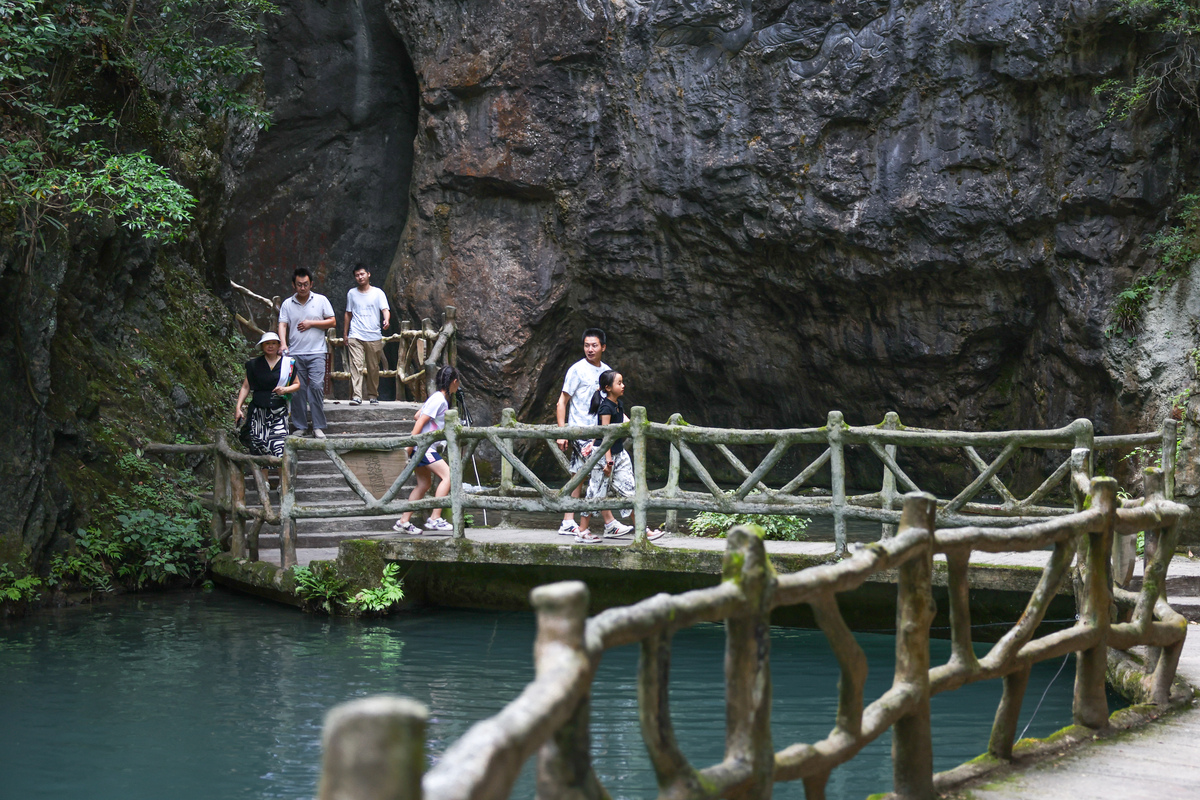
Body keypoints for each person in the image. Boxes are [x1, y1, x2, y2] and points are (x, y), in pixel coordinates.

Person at [577, 370, 665, 543]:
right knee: (595, 492)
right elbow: (606, 435)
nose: (623, 385)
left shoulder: (618, 404)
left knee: (630, 490)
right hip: (604, 455)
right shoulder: (605, 408)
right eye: (619, 383)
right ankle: (582, 530)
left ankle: (643, 529)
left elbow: (618, 426)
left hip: (618, 453)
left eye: (622, 382)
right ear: (608, 388)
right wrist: (608, 461)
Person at [392, 365, 460, 535]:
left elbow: (418, 415)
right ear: (454, 382)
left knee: (424, 484)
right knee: (449, 476)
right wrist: (408, 448)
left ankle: (403, 521)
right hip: (424, 447)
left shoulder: (436, 397)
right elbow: (420, 422)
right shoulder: (439, 400)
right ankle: (435, 518)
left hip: (422, 447)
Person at [278, 268, 336, 438]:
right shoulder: (288, 304)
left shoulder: (321, 300)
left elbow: (332, 322)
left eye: (305, 284)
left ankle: (318, 426)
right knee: (297, 390)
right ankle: (300, 426)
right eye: (299, 285)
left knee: (317, 387)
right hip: (295, 352)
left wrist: (311, 323)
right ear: (293, 285)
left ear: (311, 283)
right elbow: (282, 324)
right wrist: (283, 344)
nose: (302, 288)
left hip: (317, 351)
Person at [234, 332, 301, 458]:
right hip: (258, 411)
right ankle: (263, 478)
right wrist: (238, 407)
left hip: (279, 411)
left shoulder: (288, 364)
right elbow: (246, 386)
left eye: (273, 343)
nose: (270, 346)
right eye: (267, 344)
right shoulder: (254, 364)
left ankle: (283, 478)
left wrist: (285, 390)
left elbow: (297, 384)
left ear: (278, 346)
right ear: (262, 346)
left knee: (281, 448)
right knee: (260, 447)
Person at [343, 264, 391, 405]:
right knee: (356, 365)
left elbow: (385, 309)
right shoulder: (352, 293)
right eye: (357, 275)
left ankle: (372, 395)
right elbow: (348, 313)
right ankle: (357, 396)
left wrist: (386, 320)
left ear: (368, 274)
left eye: (362, 274)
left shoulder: (378, 293)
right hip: (355, 334)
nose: (360, 277)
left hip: (373, 335)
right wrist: (345, 334)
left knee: (373, 367)